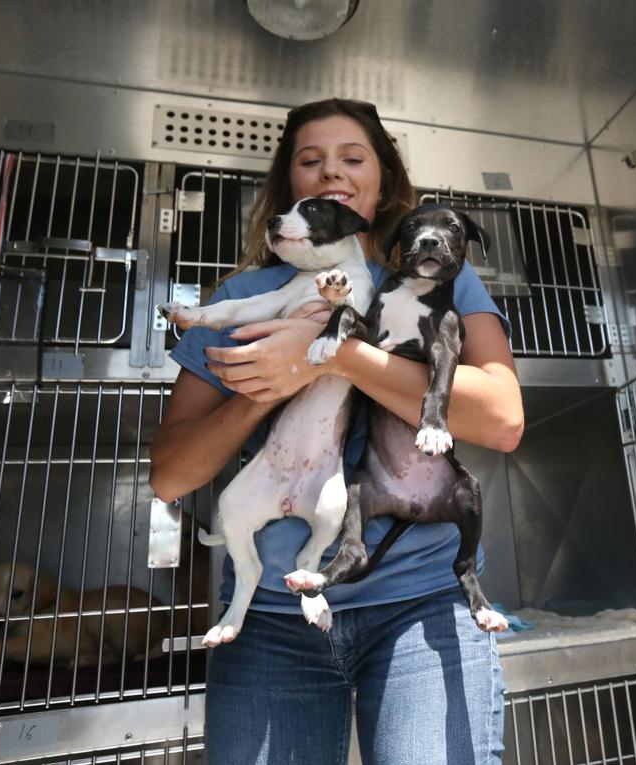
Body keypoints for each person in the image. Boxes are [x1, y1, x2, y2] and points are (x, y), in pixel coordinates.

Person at [150, 98, 524, 765]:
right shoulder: (243, 292)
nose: (332, 173)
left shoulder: (436, 272)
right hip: (271, 621)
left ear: (382, 180)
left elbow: (501, 418)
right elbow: (172, 475)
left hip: (420, 604)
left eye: (353, 159)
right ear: (288, 183)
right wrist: (271, 383)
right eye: (310, 160)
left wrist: (337, 352)